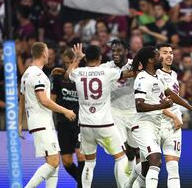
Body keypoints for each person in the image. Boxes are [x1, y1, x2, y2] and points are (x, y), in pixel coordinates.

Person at [125, 46, 192, 188]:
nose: (162, 58)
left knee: (150, 166)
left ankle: (128, 185)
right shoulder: (142, 77)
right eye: (159, 55)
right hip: (142, 125)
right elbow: (139, 105)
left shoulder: (158, 76)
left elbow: (170, 93)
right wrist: (161, 106)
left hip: (155, 124)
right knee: (155, 159)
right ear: (151, 60)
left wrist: (191, 108)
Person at [67, 43, 135, 188]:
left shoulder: (79, 72)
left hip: (85, 125)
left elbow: (68, 74)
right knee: (120, 157)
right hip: (104, 124)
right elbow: (127, 74)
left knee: (89, 162)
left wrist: (76, 59)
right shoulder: (107, 72)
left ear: (86, 59)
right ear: (100, 57)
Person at [18, 42, 76, 188]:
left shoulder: (27, 74)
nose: (49, 55)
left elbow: (22, 100)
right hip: (42, 123)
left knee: (53, 163)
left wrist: (19, 123)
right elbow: (44, 100)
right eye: (48, 52)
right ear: (44, 54)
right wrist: (65, 111)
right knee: (54, 162)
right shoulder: (38, 75)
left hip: (39, 123)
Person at [99, 39, 139, 174]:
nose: (115, 53)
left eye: (119, 51)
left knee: (134, 150)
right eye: (113, 51)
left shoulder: (135, 65)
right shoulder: (105, 67)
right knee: (119, 151)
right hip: (114, 112)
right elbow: (90, 72)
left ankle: (133, 169)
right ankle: (124, 183)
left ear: (126, 51)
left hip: (133, 112)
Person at [50, 49, 85, 187]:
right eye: (65, 63)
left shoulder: (82, 77)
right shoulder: (58, 78)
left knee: (81, 155)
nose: (67, 66)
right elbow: (51, 100)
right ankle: (83, 182)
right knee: (67, 161)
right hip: (63, 123)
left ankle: (82, 185)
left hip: (79, 123)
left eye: (70, 62)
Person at [156, 43, 183, 187]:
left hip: (174, 126)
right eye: (165, 52)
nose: (169, 55)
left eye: (171, 52)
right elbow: (155, 102)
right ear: (157, 55)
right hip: (156, 124)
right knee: (148, 166)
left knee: (173, 167)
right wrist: (174, 116)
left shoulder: (174, 74)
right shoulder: (154, 75)